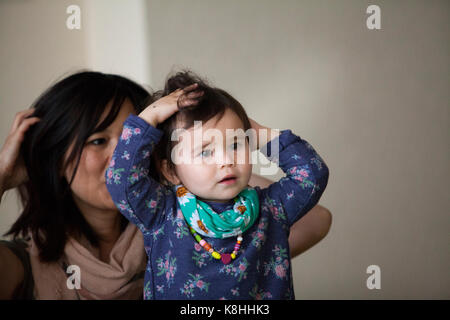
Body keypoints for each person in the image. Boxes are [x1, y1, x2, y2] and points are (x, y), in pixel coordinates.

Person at [0, 71, 331, 300]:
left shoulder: (215, 219)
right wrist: (1, 175)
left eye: (139, 138)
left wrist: (232, 147)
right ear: (54, 159)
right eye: (99, 140)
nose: (123, 153)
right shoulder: (163, 219)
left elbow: (316, 217)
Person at [105, 71, 330, 299]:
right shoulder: (162, 213)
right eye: (205, 152)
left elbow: (311, 174)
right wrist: (149, 118)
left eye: (235, 144)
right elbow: (122, 181)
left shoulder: (271, 209)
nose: (226, 161)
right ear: (170, 171)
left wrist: (261, 133)